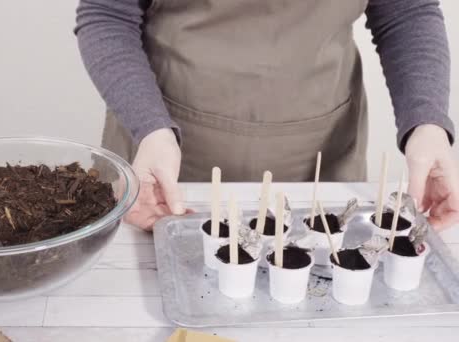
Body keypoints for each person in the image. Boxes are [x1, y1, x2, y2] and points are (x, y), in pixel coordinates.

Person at [75, 0, 458, 231]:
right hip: (163, 160)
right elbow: (108, 14)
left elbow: (405, 13)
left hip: (320, 163)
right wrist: (150, 129)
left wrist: (427, 124)